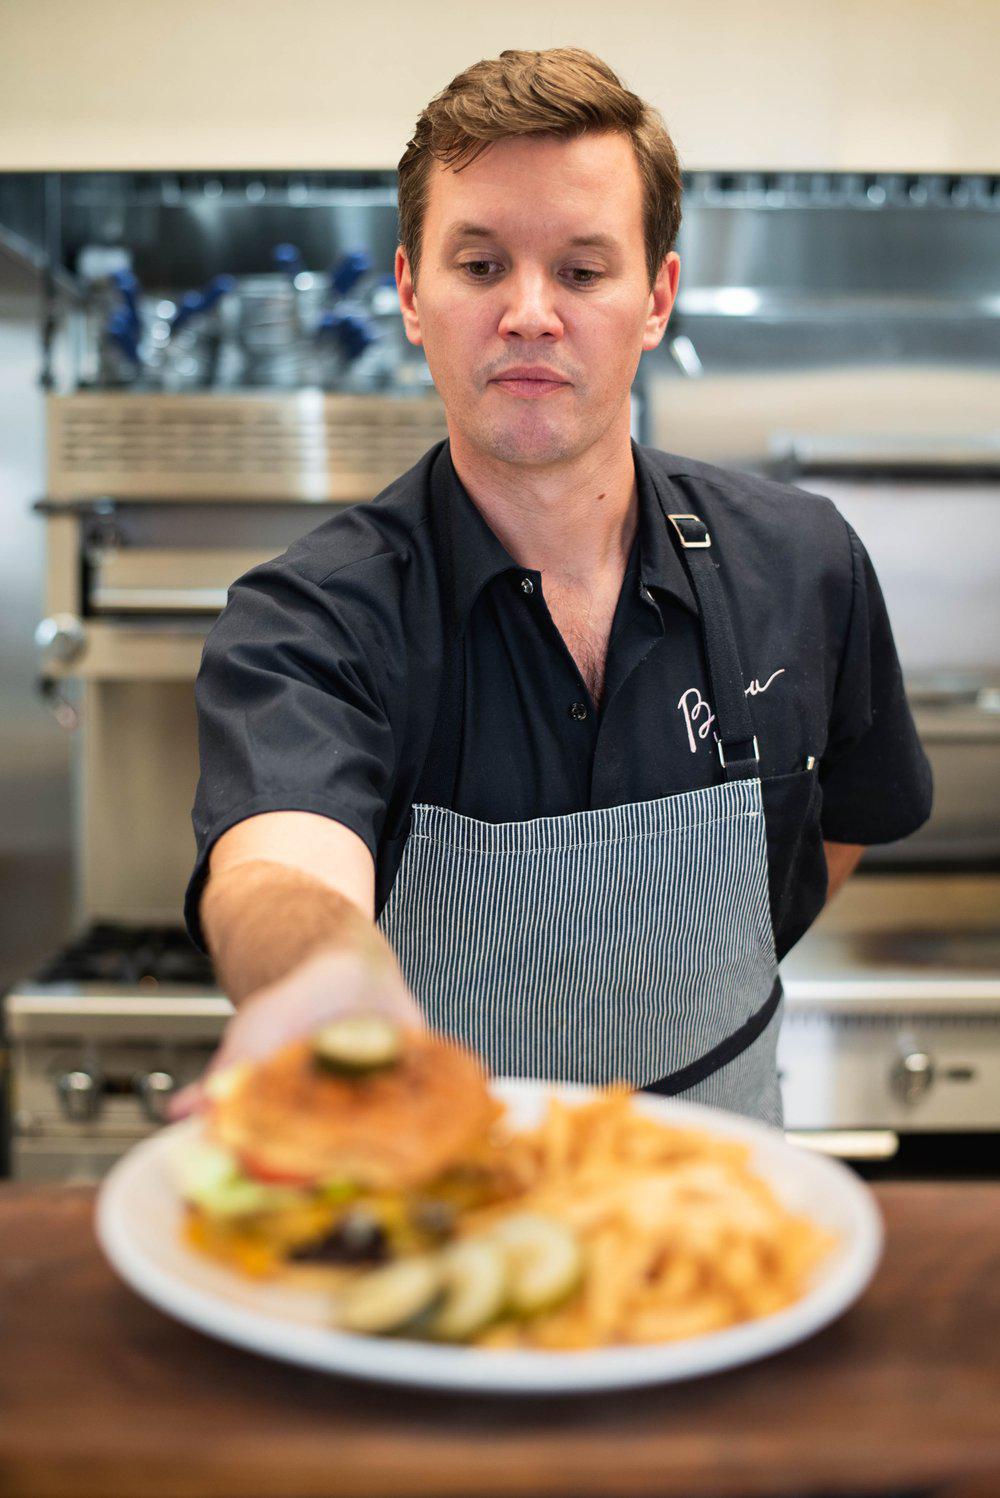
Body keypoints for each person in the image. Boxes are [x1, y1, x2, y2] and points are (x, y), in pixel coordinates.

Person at [171, 47, 932, 1127]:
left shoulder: (802, 563)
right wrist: (318, 979)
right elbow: (277, 865)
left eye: (581, 271)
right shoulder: (310, 619)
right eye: (481, 265)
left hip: (717, 1190)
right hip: (438, 1191)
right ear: (411, 293)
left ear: (657, 297)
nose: (530, 312)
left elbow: (847, 819)